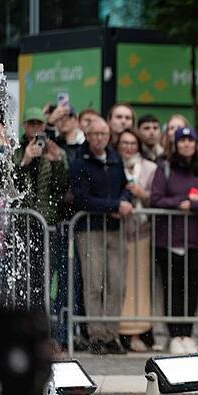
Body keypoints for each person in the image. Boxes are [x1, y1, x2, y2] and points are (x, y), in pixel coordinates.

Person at [150, 126, 198, 354]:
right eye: (183, 140)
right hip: (169, 240)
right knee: (172, 288)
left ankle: (189, 335)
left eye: (191, 140)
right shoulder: (165, 167)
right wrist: (180, 202)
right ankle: (174, 335)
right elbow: (156, 198)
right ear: (176, 144)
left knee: (193, 288)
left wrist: (194, 204)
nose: (187, 144)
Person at [69, 118, 132, 355]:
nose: (99, 138)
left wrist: (124, 200)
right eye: (95, 134)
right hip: (90, 228)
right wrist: (115, 205)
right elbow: (81, 199)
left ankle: (112, 333)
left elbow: (126, 185)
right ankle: (96, 334)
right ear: (87, 134)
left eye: (104, 134)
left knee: (117, 284)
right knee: (94, 284)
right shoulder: (79, 162)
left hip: (115, 230)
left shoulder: (115, 158)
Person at [12, 107, 70, 315]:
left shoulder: (56, 151)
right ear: (25, 126)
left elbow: (61, 188)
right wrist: (24, 162)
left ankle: (41, 328)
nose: (35, 128)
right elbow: (10, 188)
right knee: (20, 277)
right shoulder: (15, 151)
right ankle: (19, 326)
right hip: (21, 225)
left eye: (39, 124)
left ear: (45, 126)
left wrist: (57, 164)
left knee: (45, 277)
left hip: (47, 225)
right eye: (32, 124)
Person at [115, 129, 158, 352]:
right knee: (117, 284)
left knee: (139, 286)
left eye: (133, 143)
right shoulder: (112, 164)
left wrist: (143, 194)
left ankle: (138, 333)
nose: (128, 147)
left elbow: (158, 196)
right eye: (124, 143)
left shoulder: (151, 168)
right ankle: (118, 332)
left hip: (142, 233)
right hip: (116, 232)